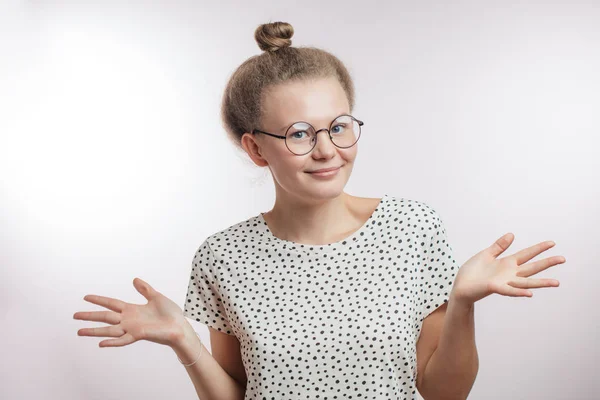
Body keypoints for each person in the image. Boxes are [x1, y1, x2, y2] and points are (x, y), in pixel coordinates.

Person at [74, 21, 566, 400]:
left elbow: (444, 392)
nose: (328, 149)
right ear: (256, 149)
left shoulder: (413, 229)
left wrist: (462, 303)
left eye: (339, 126)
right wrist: (184, 338)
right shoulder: (222, 257)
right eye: (300, 134)